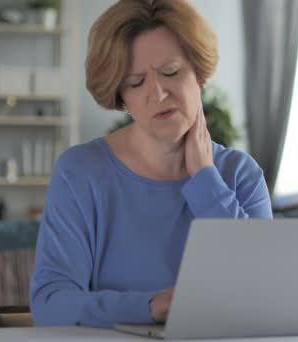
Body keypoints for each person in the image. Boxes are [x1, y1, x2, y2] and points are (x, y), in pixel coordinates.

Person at [29, 0, 272, 328]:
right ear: (121, 97)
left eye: (171, 72)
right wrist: (151, 306)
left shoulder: (240, 174)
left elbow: (265, 291)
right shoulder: (81, 172)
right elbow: (50, 302)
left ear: (199, 73)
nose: (157, 93)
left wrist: (205, 178)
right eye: (135, 82)